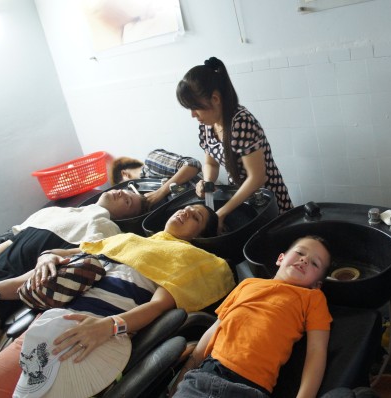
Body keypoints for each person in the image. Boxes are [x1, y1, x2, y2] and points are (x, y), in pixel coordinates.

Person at [0, 204, 236, 397]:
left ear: (200, 235)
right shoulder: (128, 239)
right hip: (51, 321)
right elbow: (70, 252)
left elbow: (158, 307)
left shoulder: (189, 259)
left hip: (92, 334)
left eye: (196, 217)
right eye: (186, 208)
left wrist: (107, 327)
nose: (186, 211)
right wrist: (47, 255)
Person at [0, 189, 147, 381]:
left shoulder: (107, 232)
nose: (121, 194)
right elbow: (8, 243)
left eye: (128, 201)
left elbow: (50, 275)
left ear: (130, 217)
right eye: (123, 190)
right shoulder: (52, 212)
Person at [172, 235, 332, 398]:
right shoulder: (247, 284)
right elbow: (215, 329)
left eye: (315, 263)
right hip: (203, 377)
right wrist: (184, 373)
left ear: (316, 285)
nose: (305, 260)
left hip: (249, 390)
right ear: (280, 258)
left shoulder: (313, 298)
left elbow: (316, 351)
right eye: (300, 253)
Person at [177, 56, 293, 232]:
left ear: (215, 98)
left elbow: (257, 178)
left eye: (195, 107)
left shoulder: (241, 122)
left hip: (266, 199)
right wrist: (207, 182)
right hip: (239, 196)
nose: (193, 114)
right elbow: (210, 163)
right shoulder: (208, 125)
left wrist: (222, 212)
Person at [110, 149, 204, 207]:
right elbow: (180, 189)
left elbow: (193, 164)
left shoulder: (151, 162)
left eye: (124, 186)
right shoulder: (146, 194)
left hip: (208, 197)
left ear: (125, 174)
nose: (127, 193)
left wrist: (160, 192)